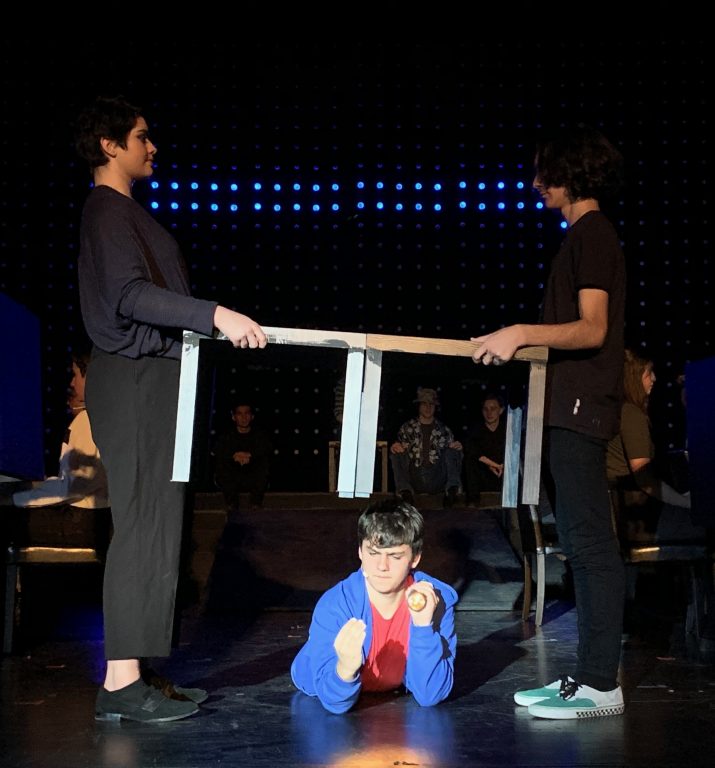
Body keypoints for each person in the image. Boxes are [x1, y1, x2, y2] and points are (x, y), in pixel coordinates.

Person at [74, 95, 267, 723]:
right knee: (141, 524)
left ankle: (136, 669)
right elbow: (129, 295)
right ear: (110, 145)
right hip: (133, 378)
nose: (151, 146)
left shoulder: (126, 212)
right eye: (140, 136)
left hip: (155, 380)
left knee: (159, 524)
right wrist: (217, 314)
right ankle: (119, 682)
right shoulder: (107, 210)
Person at [474, 124, 627, 719]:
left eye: (545, 172)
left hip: (582, 408)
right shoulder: (580, 237)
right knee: (579, 546)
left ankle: (600, 684)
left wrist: (519, 333)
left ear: (571, 173)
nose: (537, 183)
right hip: (565, 407)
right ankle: (588, 677)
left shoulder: (595, 233)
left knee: (590, 545)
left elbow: (593, 329)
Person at [290, 497, 458, 714]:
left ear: (415, 558)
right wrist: (345, 668)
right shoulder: (336, 604)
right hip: (322, 686)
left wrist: (423, 627)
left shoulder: (435, 600)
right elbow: (334, 702)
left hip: (393, 688)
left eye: (395, 556)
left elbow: (430, 695)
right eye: (373, 553)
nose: (382, 566)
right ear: (360, 552)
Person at [607, 349, 703, 544]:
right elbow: (644, 478)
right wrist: (686, 502)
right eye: (649, 373)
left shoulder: (620, 411)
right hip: (632, 514)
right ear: (634, 377)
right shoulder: (631, 414)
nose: (654, 379)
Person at [10, 351, 109, 513]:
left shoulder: (86, 420)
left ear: (90, 377)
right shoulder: (106, 417)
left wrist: (18, 498)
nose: (72, 383)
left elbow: (74, 486)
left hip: (84, 515)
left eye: (75, 375)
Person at [390, 387, 463, 508]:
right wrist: (396, 447)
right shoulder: (407, 428)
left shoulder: (444, 430)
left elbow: (451, 457)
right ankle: (404, 492)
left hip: (437, 476)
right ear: (419, 406)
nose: (428, 408)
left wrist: (456, 448)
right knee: (396, 452)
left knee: (454, 451)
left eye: (431, 404)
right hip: (415, 476)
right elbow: (401, 454)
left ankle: (452, 491)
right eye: (424, 404)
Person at [213, 402, 273, 511]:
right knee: (223, 463)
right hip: (233, 477)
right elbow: (219, 450)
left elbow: (266, 449)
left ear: (252, 416)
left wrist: (250, 455)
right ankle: (231, 503)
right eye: (239, 414)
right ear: (234, 417)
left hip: (252, 476)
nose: (244, 417)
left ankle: (256, 503)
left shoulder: (260, 435)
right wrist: (234, 455)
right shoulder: (226, 436)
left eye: (247, 413)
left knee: (263, 462)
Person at [463, 393, 507, 506]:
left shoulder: (507, 430)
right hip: (483, 477)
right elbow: (473, 452)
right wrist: (492, 465)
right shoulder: (475, 430)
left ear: (501, 410)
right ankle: (472, 502)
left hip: (503, 475)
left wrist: (502, 466)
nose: (489, 413)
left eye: (493, 409)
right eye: (486, 409)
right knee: (470, 461)